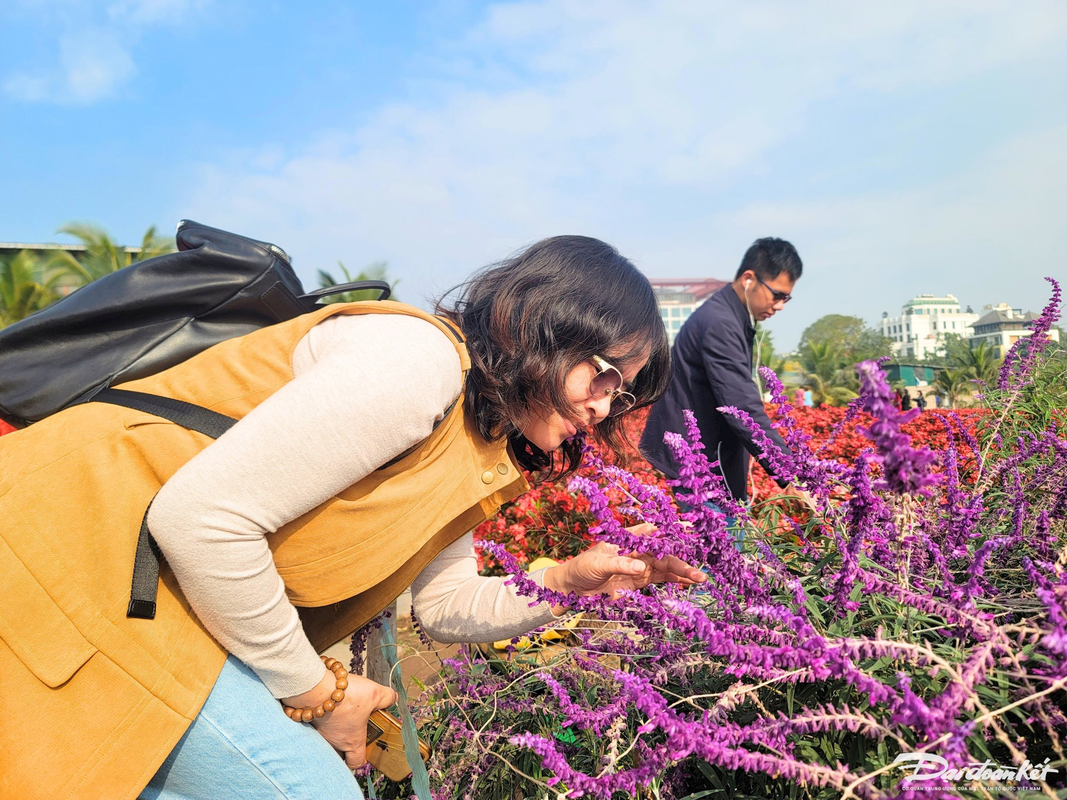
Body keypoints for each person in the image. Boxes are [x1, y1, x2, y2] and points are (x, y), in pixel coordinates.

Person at [0, 236, 705, 800]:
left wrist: (570, 583)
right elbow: (202, 520)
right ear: (542, 330)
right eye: (604, 373)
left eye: (626, 389)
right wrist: (317, 692)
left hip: (142, 595)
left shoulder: (475, 439)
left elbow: (445, 607)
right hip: (76, 552)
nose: (604, 407)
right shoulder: (415, 364)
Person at [640, 237, 811, 513]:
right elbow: (742, 407)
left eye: (786, 298)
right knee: (724, 551)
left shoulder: (732, 316)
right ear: (748, 279)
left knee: (734, 549)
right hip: (696, 466)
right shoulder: (721, 324)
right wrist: (792, 474)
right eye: (777, 295)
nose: (780, 305)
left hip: (711, 461)